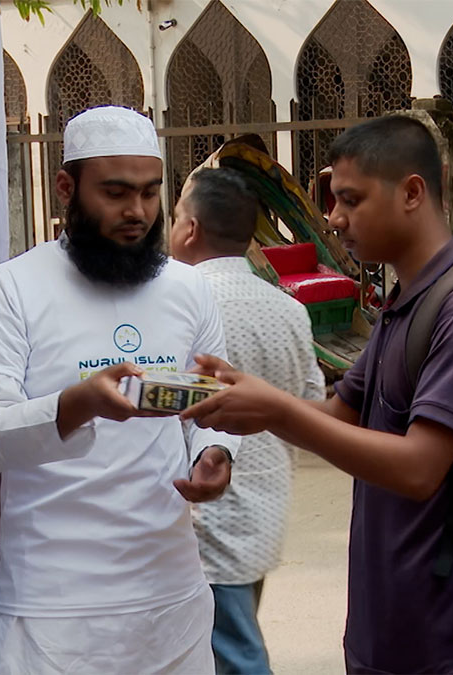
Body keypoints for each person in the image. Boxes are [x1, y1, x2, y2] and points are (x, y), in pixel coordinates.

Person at [183, 115, 453, 674]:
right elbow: (338, 415)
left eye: (350, 200)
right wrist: (248, 400)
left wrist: (274, 406)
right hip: (385, 616)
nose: (333, 220)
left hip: (443, 631)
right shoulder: (405, 303)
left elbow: (419, 467)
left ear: (412, 192)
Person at [0, 105, 239, 674]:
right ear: (66, 187)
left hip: (172, 601)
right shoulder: (9, 290)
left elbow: (211, 406)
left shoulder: (189, 290)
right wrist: (78, 403)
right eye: (115, 193)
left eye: (150, 192)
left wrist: (214, 453)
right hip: (54, 614)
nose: (136, 212)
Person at [169, 166, 326, 674]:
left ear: (189, 229)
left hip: (203, 511)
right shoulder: (288, 309)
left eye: (173, 217)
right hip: (265, 509)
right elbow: (310, 403)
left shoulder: (177, 305)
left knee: (234, 653)